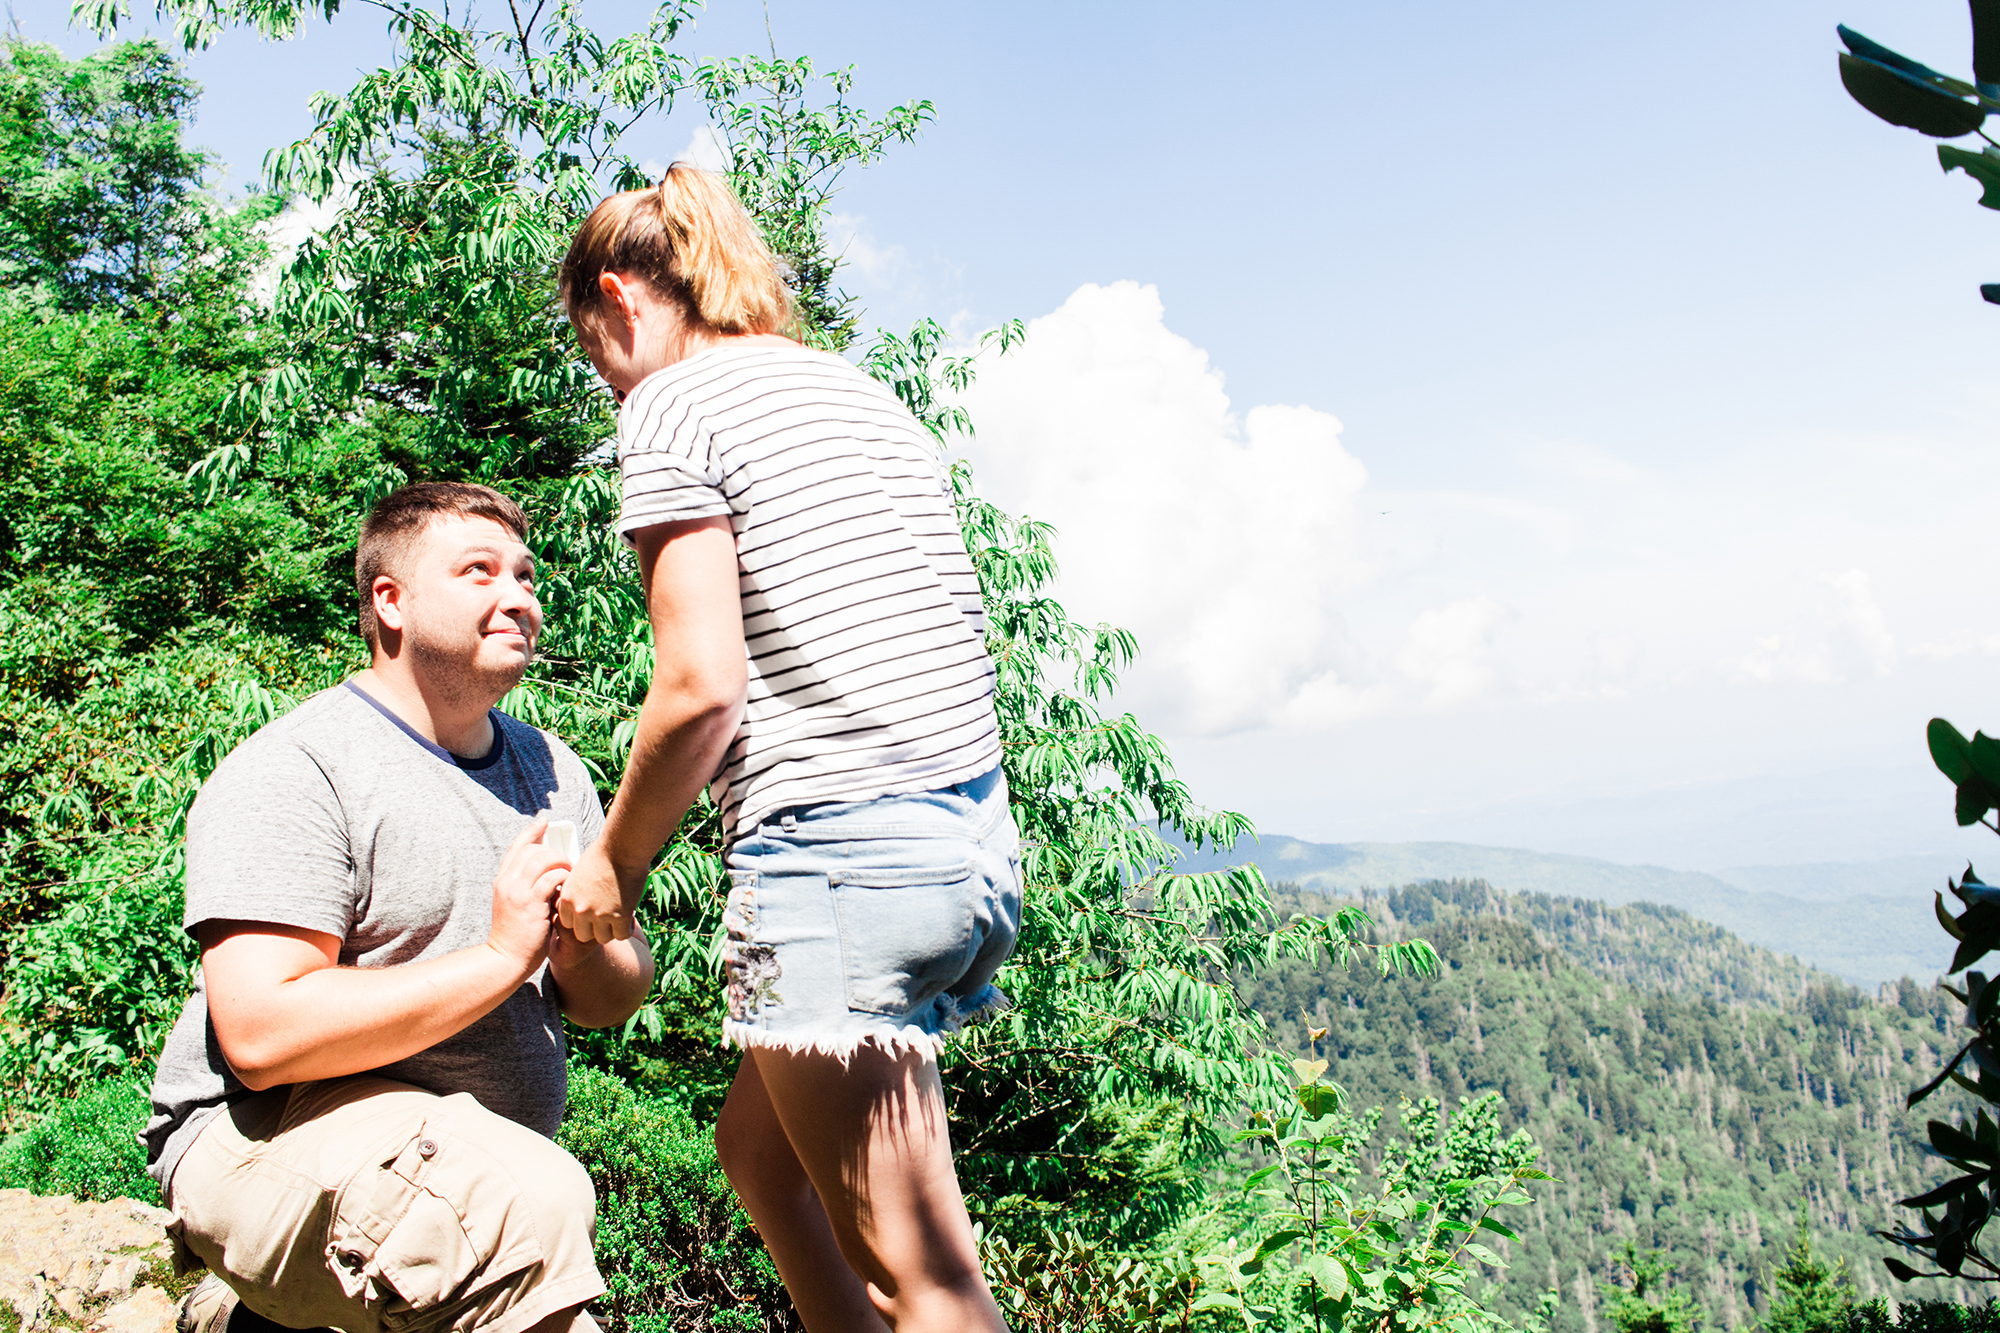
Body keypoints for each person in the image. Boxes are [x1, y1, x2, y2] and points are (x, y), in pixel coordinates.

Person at [553, 163, 1021, 1333]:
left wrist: (613, 865)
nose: (604, 380)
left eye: (590, 347)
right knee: (758, 1154)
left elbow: (701, 689)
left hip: (836, 858)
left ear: (619, 297)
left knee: (929, 1274)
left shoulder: (670, 406)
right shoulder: (856, 394)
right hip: (964, 843)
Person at [143, 482, 655, 1333]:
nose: (519, 597)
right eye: (479, 572)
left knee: (511, 1203)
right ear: (391, 601)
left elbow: (611, 998)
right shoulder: (297, 770)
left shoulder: (553, 770)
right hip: (257, 1136)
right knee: (527, 1204)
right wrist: (497, 958)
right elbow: (262, 1033)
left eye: (526, 576)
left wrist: (579, 946)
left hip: (454, 1182)